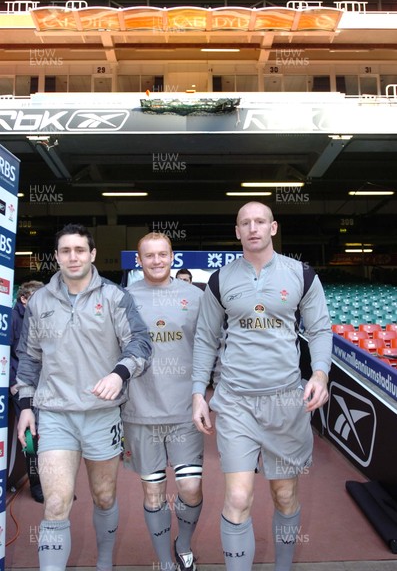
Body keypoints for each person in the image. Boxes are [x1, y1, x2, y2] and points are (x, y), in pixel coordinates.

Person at [192, 201, 332, 571]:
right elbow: (205, 339)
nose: (253, 228)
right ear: (237, 232)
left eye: (260, 221)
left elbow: (319, 330)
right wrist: (197, 394)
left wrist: (319, 373)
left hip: (286, 403)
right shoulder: (220, 280)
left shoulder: (301, 274)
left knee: (284, 494)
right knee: (237, 497)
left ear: (273, 227)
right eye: (245, 223)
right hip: (236, 403)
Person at [16, 223, 152, 571]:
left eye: (80, 250)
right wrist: (26, 408)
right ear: (57, 256)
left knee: (104, 497)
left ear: (92, 255)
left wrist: (118, 374)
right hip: (56, 414)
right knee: (57, 502)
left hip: (102, 414)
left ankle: (104, 562)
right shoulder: (40, 302)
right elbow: (29, 358)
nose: (72, 257)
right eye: (65, 250)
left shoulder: (115, 297)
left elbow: (140, 343)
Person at [122, 232, 203, 571]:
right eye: (149, 255)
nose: (157, 260)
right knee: (153, 494)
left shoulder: (194, 297)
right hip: (140, 411)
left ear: (173, 257)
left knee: (190, 488)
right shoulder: (122, 298)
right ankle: (166, 562)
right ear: (138, 261)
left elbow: (209, 347)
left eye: (163, 254)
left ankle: (183, 542)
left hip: (184, 410)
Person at [10, 280, 45, 503]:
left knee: (50, 435)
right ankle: (36, 486)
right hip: (21, 387)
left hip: (42, 384)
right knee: (31, 439)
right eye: (38, 298)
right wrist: (14, 382)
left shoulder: (41, 317)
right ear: (24, 299)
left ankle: (53, 484)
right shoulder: (12, 319)